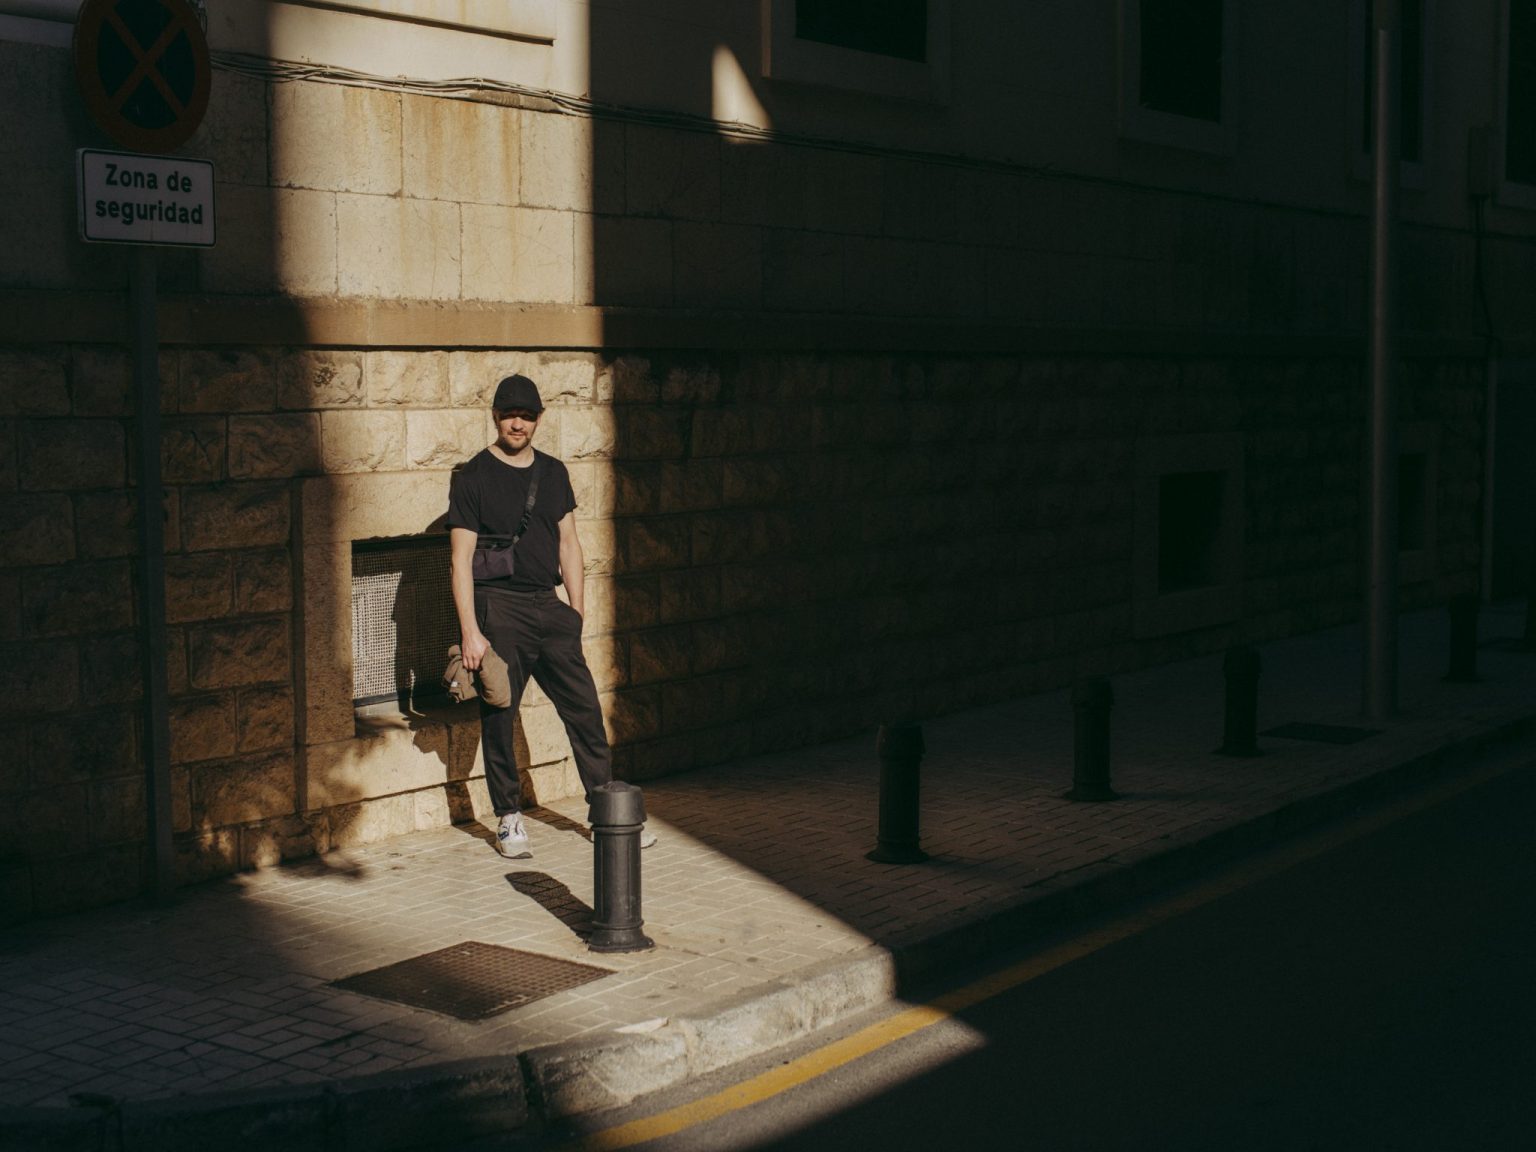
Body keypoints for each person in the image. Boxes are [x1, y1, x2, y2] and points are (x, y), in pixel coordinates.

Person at [446, 373, 654, 858]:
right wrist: (471, 632)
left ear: (539, 419)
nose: (518, 423)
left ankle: (609, 815)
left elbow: (570, 544)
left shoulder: (554, 473)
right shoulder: (472, 476)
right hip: (498, 608)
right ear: (495, 417)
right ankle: (509, 817)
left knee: (584, 712)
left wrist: (576, 613)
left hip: (549, 606)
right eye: (509, 414)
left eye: (527, 415)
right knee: (500, 712)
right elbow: (459, 560)